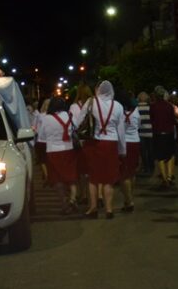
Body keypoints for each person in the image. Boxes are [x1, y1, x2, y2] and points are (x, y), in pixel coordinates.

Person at [73, 81, 126, 218]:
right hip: (111, 143)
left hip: (94, 143)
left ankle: (93, 208)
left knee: (93, 178)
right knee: (109, 179)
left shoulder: (91, 102)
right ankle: (109, 210)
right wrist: (122, 149)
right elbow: (121, 130)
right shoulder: (118, 106)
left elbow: (78, 122)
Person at [38, 97, 79, 214]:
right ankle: (73, 199)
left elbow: (42, 136)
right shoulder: (70, 116)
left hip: (53, 151)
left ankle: (64, 204)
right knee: (71, 176)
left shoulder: (46, 119)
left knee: (57, 179)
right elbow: (76, 128)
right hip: (69, 150)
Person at [150, 86, 177, 189]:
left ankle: (164, 179)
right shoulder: (169, 106)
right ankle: (169, 177)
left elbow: (152, 119)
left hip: (158, 133)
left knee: (160, 156)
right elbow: (173, 120)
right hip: (169, 133)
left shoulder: (153, 106)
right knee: (170, 155)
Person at [119, 91, 140, 212]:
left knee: (124, 174)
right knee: (132, 172)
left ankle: (129, 200)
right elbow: (139, 126)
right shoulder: (136, 112)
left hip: (124, 143)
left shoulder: (120, 113)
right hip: (135, 142)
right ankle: (129, 198)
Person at [136, 92, 154, 177]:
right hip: (150, 132)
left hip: (141, 132)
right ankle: (151, 167)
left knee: (143, 151)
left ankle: (146, 167)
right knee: (150, 150)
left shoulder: (136, 108)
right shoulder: (150, 107)